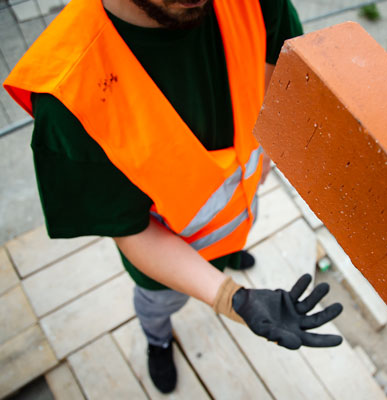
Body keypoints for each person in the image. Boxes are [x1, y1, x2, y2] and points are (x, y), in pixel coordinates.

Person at [4, 0, 343, 394]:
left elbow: (276, 73)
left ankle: (230, 254)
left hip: (241, 204)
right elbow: (131, 230)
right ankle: (158, 338)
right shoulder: (69, 91)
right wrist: (233, 299)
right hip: (166, 263)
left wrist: (267, 143)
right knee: (159, 304)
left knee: (236, 237)